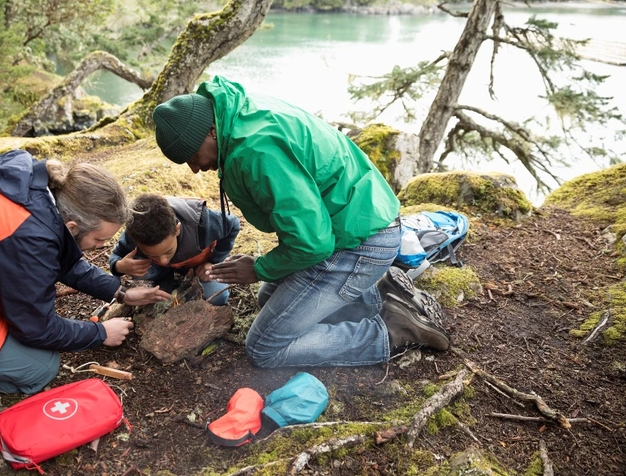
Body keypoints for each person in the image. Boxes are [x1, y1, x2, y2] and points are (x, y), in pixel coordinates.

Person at [151, 75, 450, 369]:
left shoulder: (256, 150)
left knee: (265, 346)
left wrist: (258, 268)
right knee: (269, 298)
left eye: (191, 156)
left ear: (211, 133)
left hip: (360, 242)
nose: (193, 169)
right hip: (354, 222)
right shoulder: (237, 114)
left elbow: (312, 243)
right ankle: (380, 295)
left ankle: (391, 333)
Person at [0, 149, 171, 419]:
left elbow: (62, 255)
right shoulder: (27, 233)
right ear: (73, 226)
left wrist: (120, 293)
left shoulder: (30, 187)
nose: (103, 246)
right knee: (39, 366)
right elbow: (35, 328)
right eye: (99, 241)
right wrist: (100, 333)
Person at [109, 193, 240, 306]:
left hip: (199, 265)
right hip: (161, 270)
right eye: (154, 255)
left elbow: (233, 224)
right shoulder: (134, 235)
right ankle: (164, 279)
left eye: (167, 251)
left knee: (218, 297)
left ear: (177, 230)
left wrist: (214, 262)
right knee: (138, 266)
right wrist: (120, 267)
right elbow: (116, 256)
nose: (163, 260)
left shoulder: (202, 223)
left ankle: (185, 278)